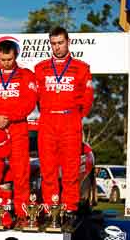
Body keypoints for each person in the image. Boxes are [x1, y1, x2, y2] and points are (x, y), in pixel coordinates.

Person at [35, 27, 93, 232]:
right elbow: (37, 98)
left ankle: (69, 211)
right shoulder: (40, 68)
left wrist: (76, 116)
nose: (57, 46)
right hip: (48, 121)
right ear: (49, 44)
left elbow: (87, 98)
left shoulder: (81, 67)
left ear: (68, 42)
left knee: (70, 171)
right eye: (53, 43)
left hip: (70, 121)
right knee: (48, 170)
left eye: (60, 42)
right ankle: (52, 211)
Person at [0, 40, 37, 229]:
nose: (6, 63)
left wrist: (8, 117)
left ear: (16, 56)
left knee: (21, 176)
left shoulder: (26, 76)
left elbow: (29, 102)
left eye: (9, 59)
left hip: (17, 129)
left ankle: (23, 216)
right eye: (2, 59)